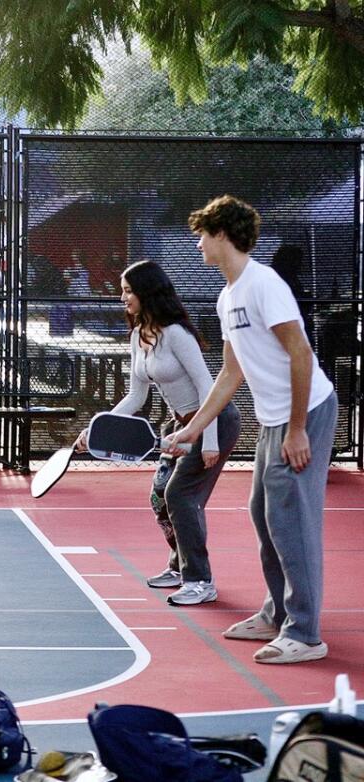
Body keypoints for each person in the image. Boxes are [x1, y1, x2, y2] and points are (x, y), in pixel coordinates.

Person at [168, 195, 336, 665]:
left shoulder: (265, 285)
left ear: (222, 234)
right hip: (272, 419)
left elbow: (301, 353)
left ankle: (304, 633)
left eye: (202, 234)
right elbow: (229, 374)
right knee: (263, 513)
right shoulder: (227, 296)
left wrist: (298, 428)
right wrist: (191, 430)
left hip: (305, 413)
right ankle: (277, 613)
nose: (198, 242)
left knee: (291, 523)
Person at [76, 260, 240, 606]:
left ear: (146, 293)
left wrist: (207, 441)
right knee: (160, 495)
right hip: (179, 426)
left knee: (180, 495)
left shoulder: (177, 334)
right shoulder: (139, 335)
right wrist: (97, 428)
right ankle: (181, 567)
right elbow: (137, 396)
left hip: (213, 422)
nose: (122, 298)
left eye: (127, 291)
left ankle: (200, 580)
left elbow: (206, 385)